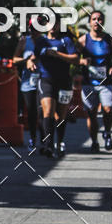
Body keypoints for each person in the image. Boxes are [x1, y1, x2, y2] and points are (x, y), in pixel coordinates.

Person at [34, 12, 79, 157]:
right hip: (46, 80)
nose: (53, 26)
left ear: (59, 25)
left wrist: (58, 55)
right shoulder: (41, 41)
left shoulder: (66, 41)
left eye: (56, 23)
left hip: (64, 81)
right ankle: (48, 145)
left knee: (61, 116)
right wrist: (29, 62)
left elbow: (76, 59)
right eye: (50, 23)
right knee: (47, 112)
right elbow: (34, 57)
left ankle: (59, 142)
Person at [79, 10, 112, 152]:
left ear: (103, 22)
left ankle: (107, 132)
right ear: (89, 22)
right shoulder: (83, 40)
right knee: (91, 113)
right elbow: (73, 58)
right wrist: (82, 61)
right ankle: (94, 141)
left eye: (99, 19)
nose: (96, 21)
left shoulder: (111, 39)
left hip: (106, 83)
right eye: (94, 19)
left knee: (108, 109)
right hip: (88, 83)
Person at [13, 18, 41, 152]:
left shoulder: (46, 40)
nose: (36, 30)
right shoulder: (24, 41)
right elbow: (15, 59)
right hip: (28, 82)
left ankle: (46, 139)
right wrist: (27, 61)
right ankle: (33, 139)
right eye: (33, 27)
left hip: (44, 80)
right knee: (32, 111)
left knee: (43, 111)